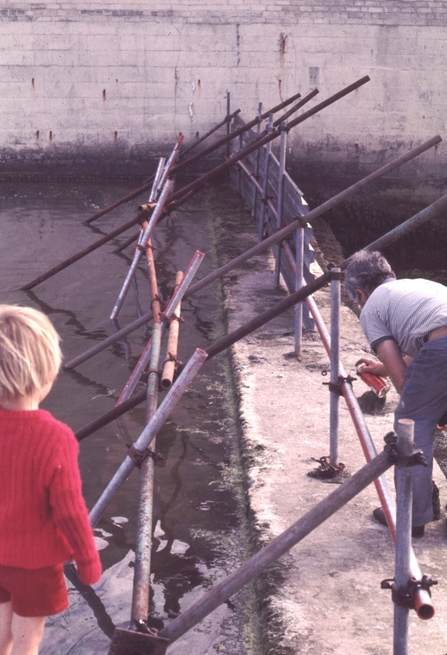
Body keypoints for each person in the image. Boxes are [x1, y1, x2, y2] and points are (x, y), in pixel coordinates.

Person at [0, 305, 102, 655]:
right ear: (46, 375)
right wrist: (88, 560)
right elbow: (70, 511)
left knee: (1, 624)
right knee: (29, 635)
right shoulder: (54, 437)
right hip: (35, 562)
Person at [344, 250, 447, 537]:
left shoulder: (371, 307)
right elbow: (423, 342)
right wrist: (382, 368)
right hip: (441, 341)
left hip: (443, 346)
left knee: (412, 421)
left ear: (361, 292)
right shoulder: (418, 286)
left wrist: (428, 408)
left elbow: (404, 383)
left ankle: (412, 517)